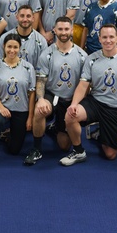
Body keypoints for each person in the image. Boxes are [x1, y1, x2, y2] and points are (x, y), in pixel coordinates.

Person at [61, 25, 117, 165]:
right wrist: (74, 104)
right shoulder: (92, 58)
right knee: (70, 116)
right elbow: (83, 85)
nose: (108, 40)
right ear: (99, 39)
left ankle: (100, 134)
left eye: (111, 37)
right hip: (95, 102)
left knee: (110, 154)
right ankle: (79, 151)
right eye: (104, 37)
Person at [34, 17, 88, 160]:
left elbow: (85, 85)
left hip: (70, 99)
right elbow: (40, 79)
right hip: (52, 95)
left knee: (64, 146)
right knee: (39, 111)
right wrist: (40, 99)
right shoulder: (47, 53)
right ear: (54, 30)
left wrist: (77, 104)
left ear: (71, 30)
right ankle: (37, 149)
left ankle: (55, 127)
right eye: (60, 29)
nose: (63, 32)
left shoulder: (82, 56)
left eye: (66, 29)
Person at [0, 33, 37, 166]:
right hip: (3, 105)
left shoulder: (28, 67)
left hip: (21, 108)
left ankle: (7, 135)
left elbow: (32, 94)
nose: (12, 50)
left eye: (15, 47)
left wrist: (30, 117)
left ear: (20, 48)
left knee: (14, 150)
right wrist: (1, 107)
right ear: (3, 47)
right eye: (9, 47)